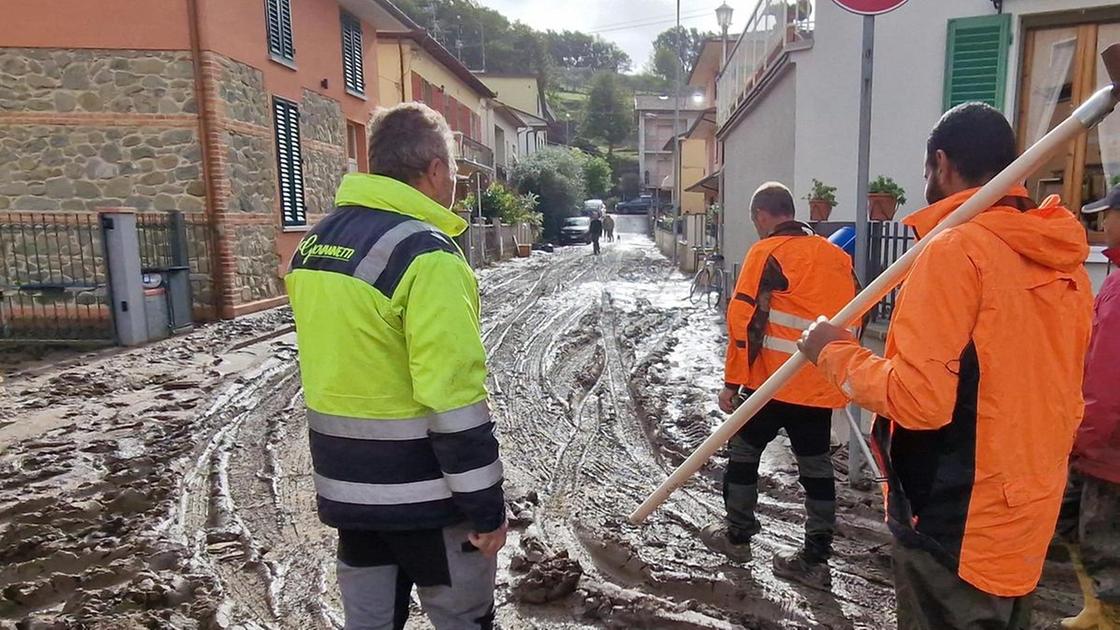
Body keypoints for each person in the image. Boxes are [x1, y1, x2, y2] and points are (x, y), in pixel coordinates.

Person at [799, 102, 1094, 629]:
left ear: (942, 163)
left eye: (926, 170)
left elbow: (919, 400)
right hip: (1027, 507)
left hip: (957, 522)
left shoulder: (957, 251)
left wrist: (833, 351)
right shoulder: (1061, 259)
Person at [286, 103, 506, 630]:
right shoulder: (425, 256)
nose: (454, 182)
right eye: (453, 170)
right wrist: (486, 509)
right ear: (434, 171)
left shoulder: (314, 246)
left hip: (348, 494)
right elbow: (451, 395)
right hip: (426, 501)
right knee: (464, 621)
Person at [702, 182, 857, 589]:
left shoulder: (765, 252)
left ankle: (737, 536)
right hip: (818, 385)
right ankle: (816, 559)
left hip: (771, 384)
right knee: (817, 469)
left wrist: (732, 382)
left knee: (744, 454)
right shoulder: (837, 257)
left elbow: (742, 321)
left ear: (761, 216)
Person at [1058, 184, 1120, 630]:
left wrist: (1081, 440)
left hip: (1109, 449)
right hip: (1104, 442)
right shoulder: (1114, 277)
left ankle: (1109, 614)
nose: (1101, 225)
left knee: (1103, 542)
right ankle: (1098, 608)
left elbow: (1108, 379)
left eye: (1108, 215)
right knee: (1073, 521)